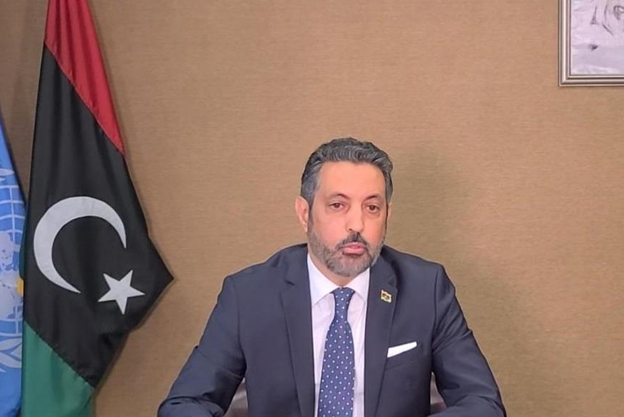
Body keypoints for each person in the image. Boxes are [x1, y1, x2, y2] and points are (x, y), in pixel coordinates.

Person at [159, 138, 505, 417]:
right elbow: (184, 404)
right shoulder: (249, 295)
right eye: (338, 205)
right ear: (304, 213)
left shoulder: (425, 289)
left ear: (387, 215)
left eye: (372, 207)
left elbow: (482, 403)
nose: (357, 224)